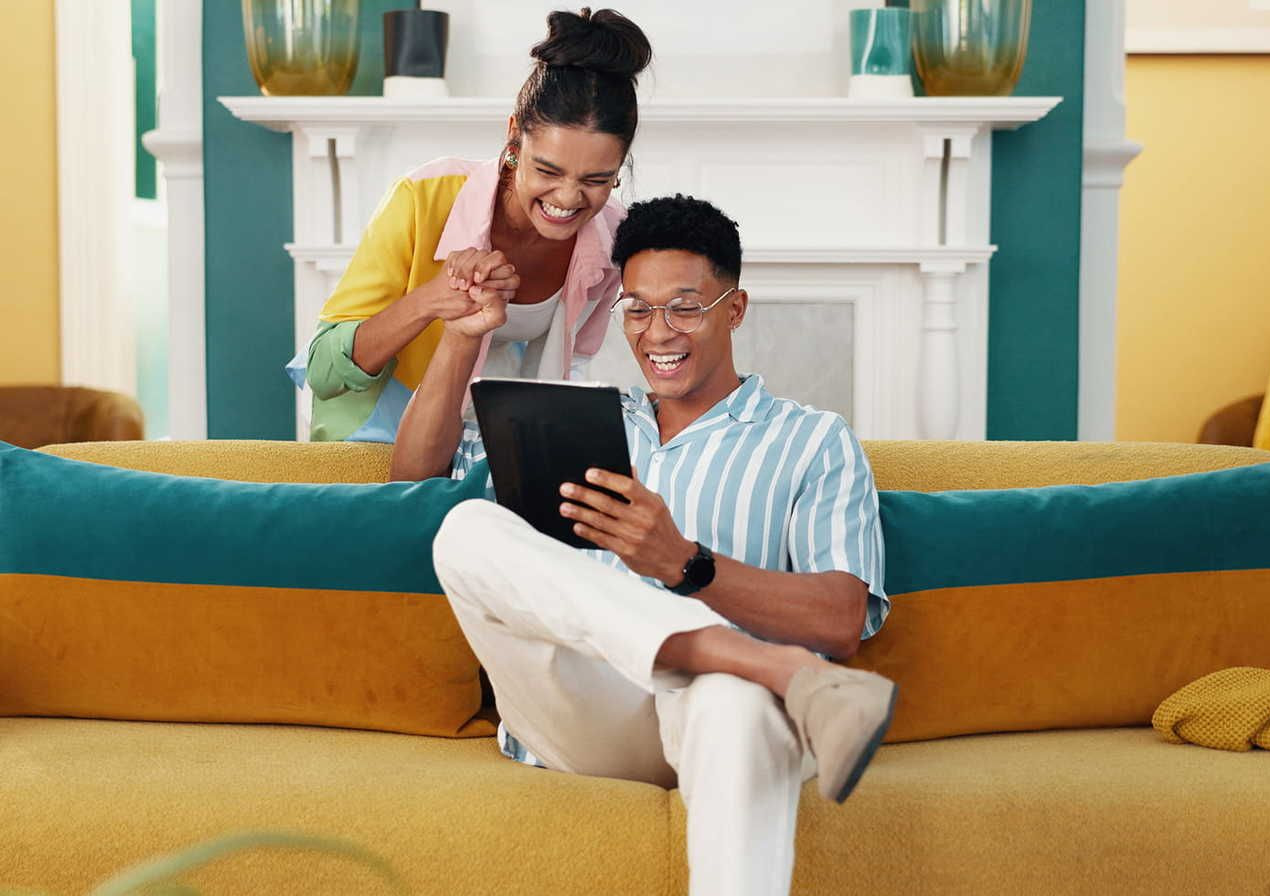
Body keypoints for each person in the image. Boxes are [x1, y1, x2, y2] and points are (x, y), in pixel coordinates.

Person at [393, 194, 897, 896]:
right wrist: (460, 337)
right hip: (585, 706)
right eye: (637, 308)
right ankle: (775, 668)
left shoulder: (813, 440)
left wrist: (685, 567)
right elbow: (409, 485)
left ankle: (754, 673)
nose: (658, 332)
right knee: (465, 529)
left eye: (685, 307)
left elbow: (842, 619)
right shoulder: (573, 415)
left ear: (735, 308)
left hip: (719, 714)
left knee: (738, 704)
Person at [290, 8, 652, 442]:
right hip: (377, 435)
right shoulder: (425, 198)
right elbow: (325, 368)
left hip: (491, 443)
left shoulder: (613, 239)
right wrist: (433, 299)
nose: (568, 199)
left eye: (596, 180)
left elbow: (569, 365)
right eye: (548, 171)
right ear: (514, 134)